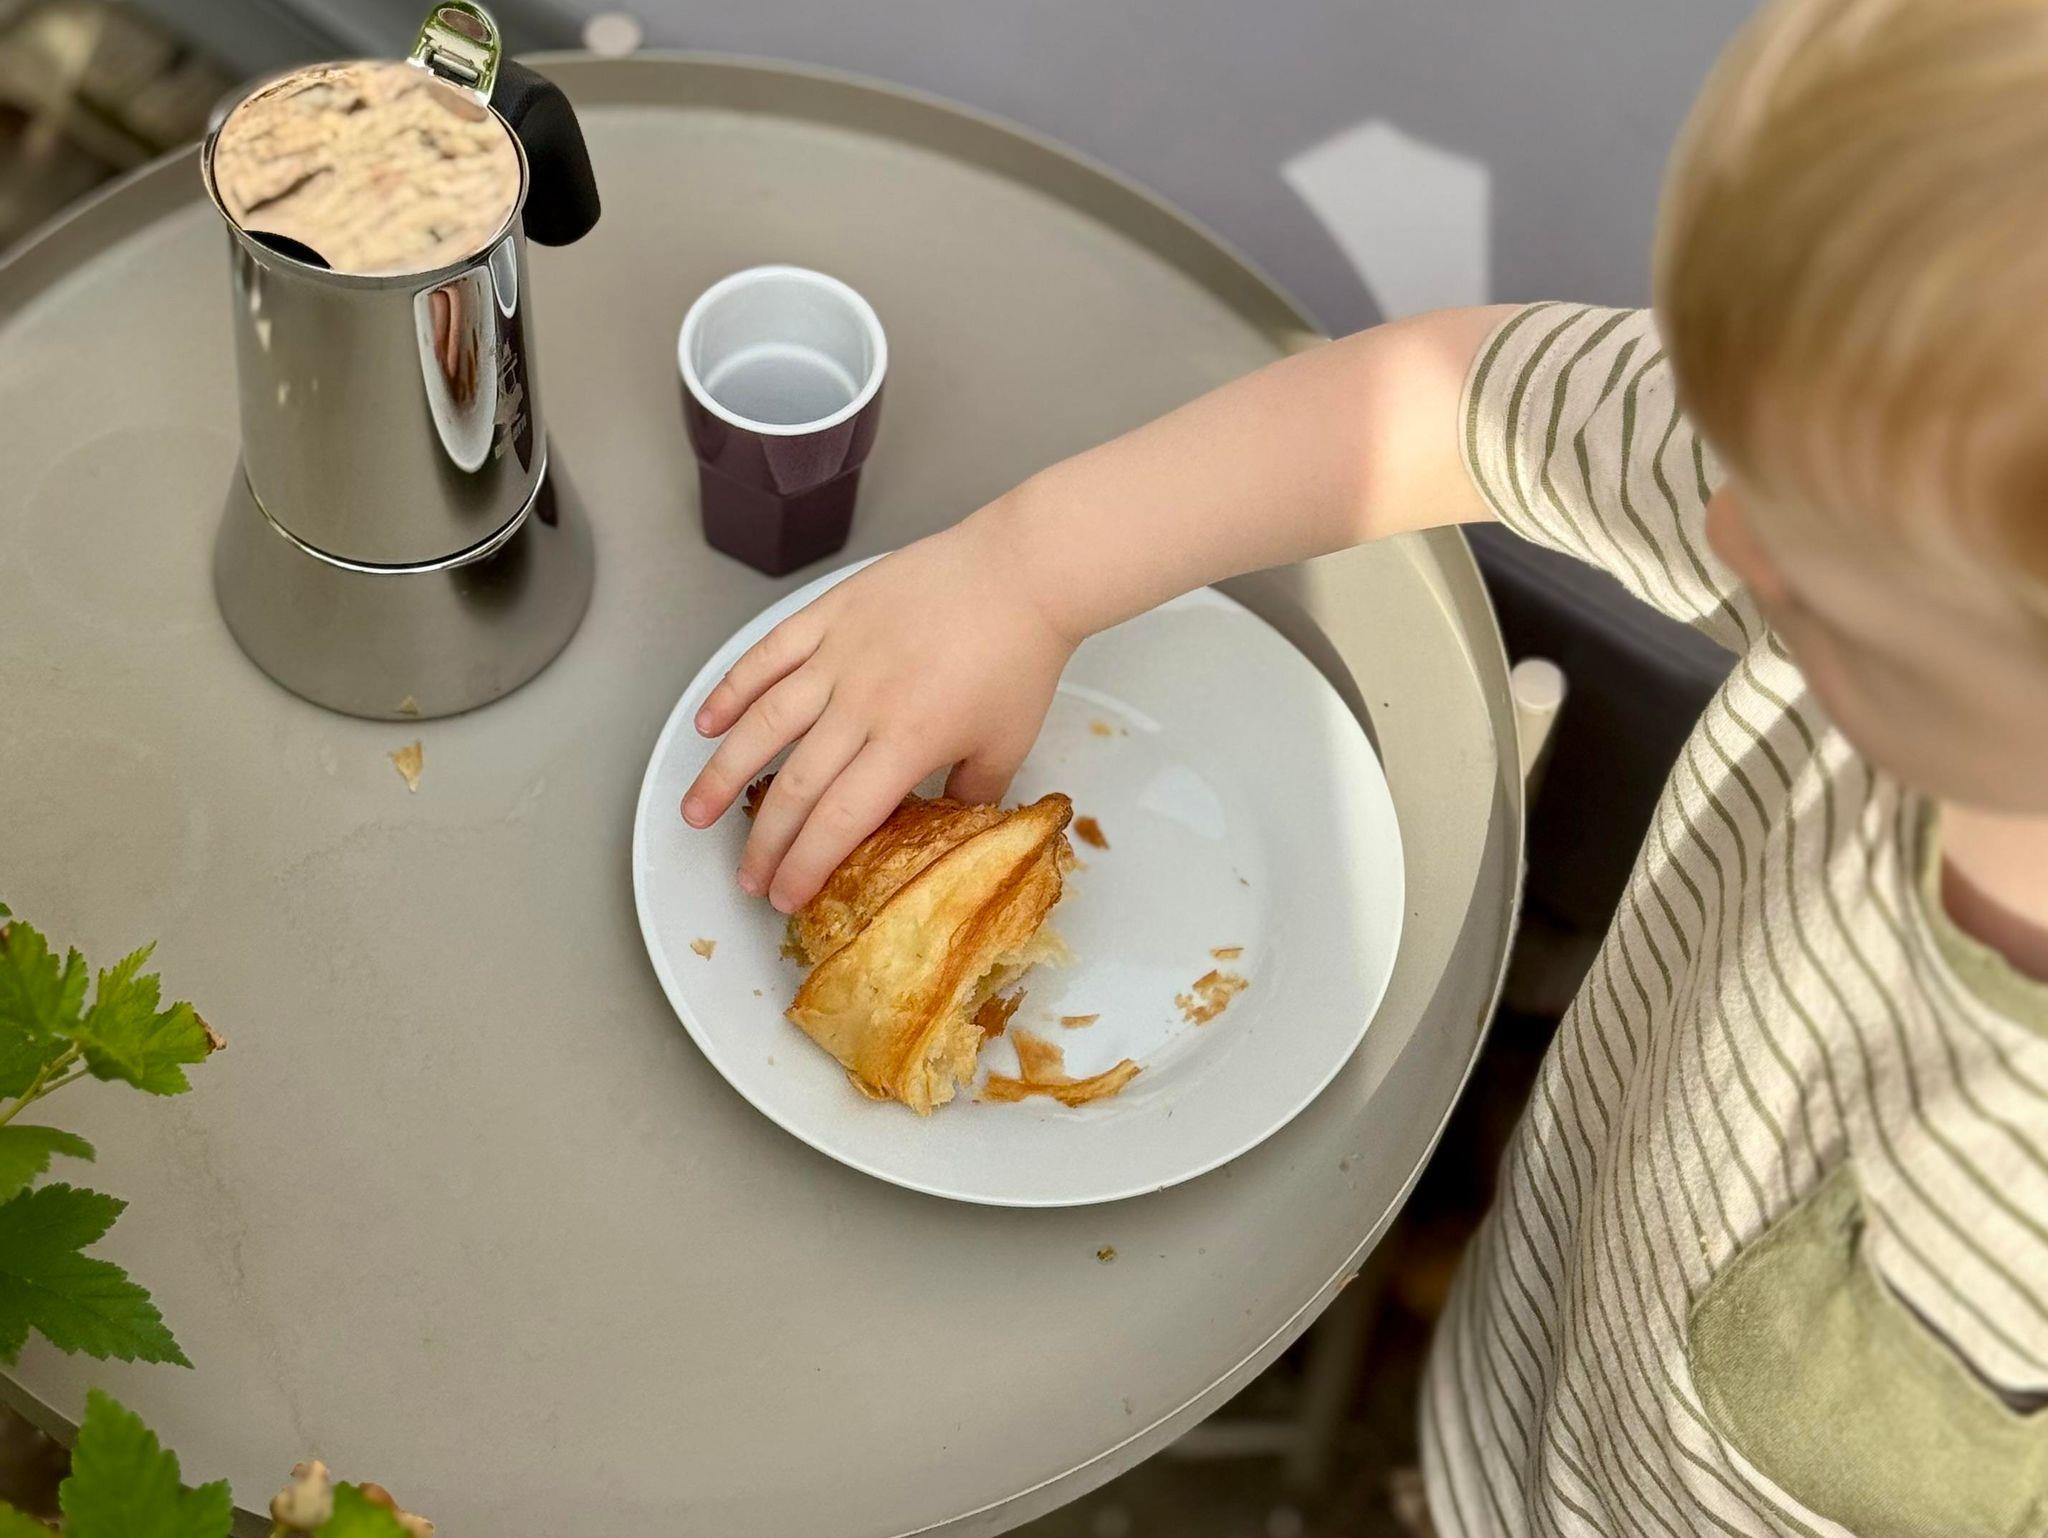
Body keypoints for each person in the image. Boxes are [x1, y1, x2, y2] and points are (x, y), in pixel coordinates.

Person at [683, 0, 2048, 1530]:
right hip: (1528, 1373)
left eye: (1793, 516)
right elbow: (1457, 399)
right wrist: (1027, 569)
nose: (1722, 519)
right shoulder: (1910, 470)